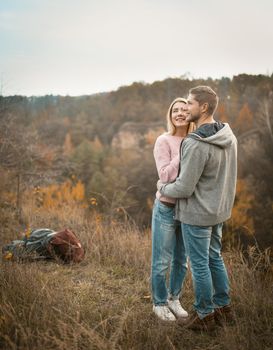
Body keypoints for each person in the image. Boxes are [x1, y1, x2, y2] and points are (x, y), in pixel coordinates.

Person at [157, 86, 237, 330]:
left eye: (190, 103)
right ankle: (224, 307)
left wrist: (162, 187)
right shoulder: (228, 135)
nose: (186, 107)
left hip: (198, 214)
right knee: (214, 258)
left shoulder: (196, 142)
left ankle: (204, 315)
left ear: (203, 107)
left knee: (200, 263)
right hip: (219, 211)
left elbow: (183, 188)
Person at [151, 97, 195, 321]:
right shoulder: (163, 140)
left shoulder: (197, 140)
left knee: (181, 260)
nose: (179, 113)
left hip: (189, 209)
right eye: (175, 110)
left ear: (191, 114)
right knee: (161, 260)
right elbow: (165, 175)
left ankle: (173, 298)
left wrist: (191, 142)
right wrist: (184, 149)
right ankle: (158, 303)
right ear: (170, 115)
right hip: (166, 208)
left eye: (183, 110)